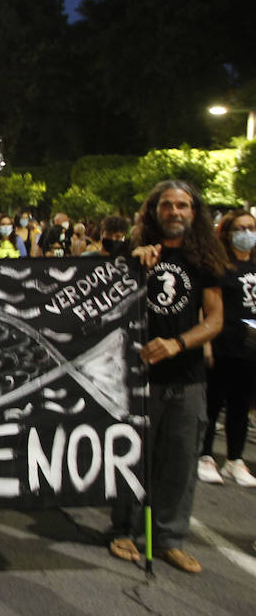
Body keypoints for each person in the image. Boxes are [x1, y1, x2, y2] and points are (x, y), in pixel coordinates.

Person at [108, 180, 225, 574]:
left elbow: (215, 320)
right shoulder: (133, 253)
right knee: (132, 456)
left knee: (180, 461)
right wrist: (130, 263)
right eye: (168, 206)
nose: (175, 212)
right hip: (137, 378)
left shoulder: (205, 259)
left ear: (194, 213)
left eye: (183, 206)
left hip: (186, 376)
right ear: (154, 211)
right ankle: (123, 529)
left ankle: (169, 538)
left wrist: (178, 343)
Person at [197, 209, 256, 488]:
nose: (247, 234)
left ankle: (235, 459)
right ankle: (205, 455)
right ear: (228, 233)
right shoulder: (219, 266)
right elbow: (206, 308)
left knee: (241, 406)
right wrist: (206, 344)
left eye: (251, 228)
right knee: (213, 403)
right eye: (240, 228)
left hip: (250, 348)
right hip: (223, 343)